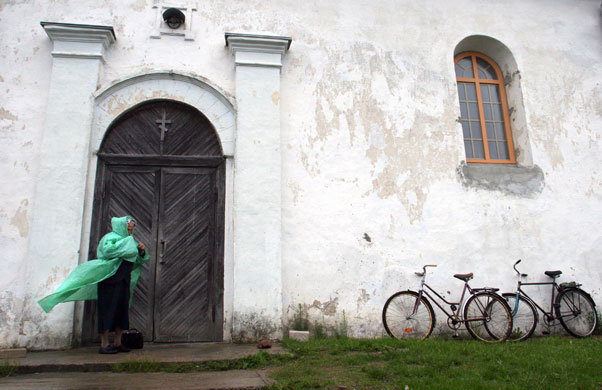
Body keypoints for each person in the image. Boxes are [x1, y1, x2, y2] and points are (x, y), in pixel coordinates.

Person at [39, 216, 149, 354]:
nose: (129, 231)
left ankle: (117, 342)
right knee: (107, 309)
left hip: (124, 279)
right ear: (121, 226)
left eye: (131, 229)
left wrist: (141, 250)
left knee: (122, 310)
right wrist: (126, 246)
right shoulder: (110, 238)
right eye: (128, 228)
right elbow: (108, 251)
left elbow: (137, 258)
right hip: (109, 279)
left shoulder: (130, 240)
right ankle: (104, 344)